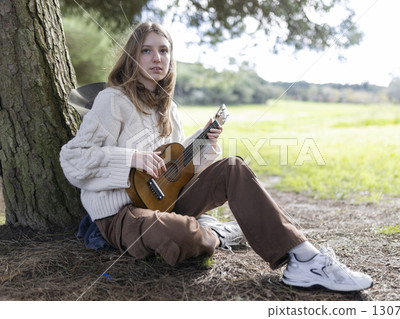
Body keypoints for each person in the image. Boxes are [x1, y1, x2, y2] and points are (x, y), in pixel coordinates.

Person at [60, 22, 373, 292]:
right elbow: (73, 160)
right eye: (147, 50)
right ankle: (216, 233)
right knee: (182, 235)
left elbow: (174, 170)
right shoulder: (112, 101)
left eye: (164, 50)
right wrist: (130, 158)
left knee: (232, 167)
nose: (157, 58)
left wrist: (203, 143)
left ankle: (304, 259)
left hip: (166, 200)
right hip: (121, 215)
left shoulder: (169, 108)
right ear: (132, 55)